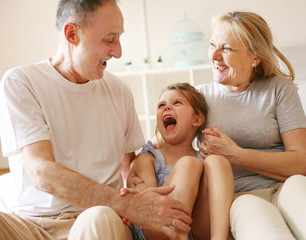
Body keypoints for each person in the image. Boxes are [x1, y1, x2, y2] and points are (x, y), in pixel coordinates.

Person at [0, 0, 192, 239]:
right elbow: (41, 172)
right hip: (29, 225)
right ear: (72, 34)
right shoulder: (21, 82)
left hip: (95, 219)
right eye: (110, 39)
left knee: (98, 217)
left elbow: (130, 168)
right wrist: (128, 205)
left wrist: (139, 200)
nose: (118, 52)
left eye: (119, 38)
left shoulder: (119, 91)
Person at [196, 11, 306, 240]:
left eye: (227, 48)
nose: (214, 55)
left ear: (255, 58)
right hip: (241, 196)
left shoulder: (279, 89)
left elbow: (304, 163)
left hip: (290, 185)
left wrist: (235, 154)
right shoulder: (199, 97)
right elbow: (167, 147)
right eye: (212, 45)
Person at [128, 83, 234, 240]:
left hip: (197, 230)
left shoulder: (204, 160)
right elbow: (147, 205)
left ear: (197, 119)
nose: (167, 107)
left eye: (176, 103)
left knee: (218, 162)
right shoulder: (148, 159)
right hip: (157, 228)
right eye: (161, 105)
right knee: (189, 164)